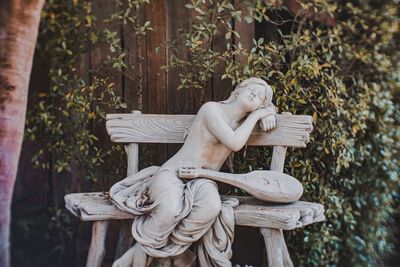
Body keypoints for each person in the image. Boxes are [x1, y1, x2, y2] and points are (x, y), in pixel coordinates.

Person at [110, 77, 277, 267]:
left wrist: (269, 114)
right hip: (174, 174)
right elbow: (235, 143)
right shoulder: (211, 109)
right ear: (238, 89)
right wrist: (259, 115)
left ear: (259, 106)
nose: (256, 93)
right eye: (252, 88)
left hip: (202, 178)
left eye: (261, 96)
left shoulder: (244, 125)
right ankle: (150, 253)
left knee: (211, 207)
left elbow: (255, 124)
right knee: (170, 209)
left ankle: (169, 250)